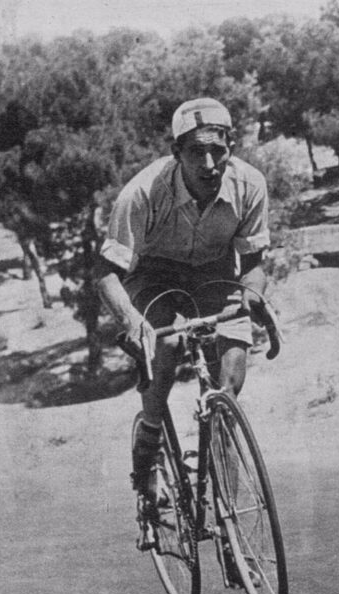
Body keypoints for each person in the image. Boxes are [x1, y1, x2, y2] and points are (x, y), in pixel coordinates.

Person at [94, 96, 270, 500]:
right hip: (153, 273)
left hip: (215, 274)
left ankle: (229, 518)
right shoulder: (141, 193)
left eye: (218, 151)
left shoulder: (250, 185)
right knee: (167, 341)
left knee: (229, 381)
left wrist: (254, 294)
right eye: (196, 153)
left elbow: (255, 261)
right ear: (176, 153)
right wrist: (131, 321)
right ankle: (150, 439)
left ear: (230, 147)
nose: (209, 165)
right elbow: (105, 273)